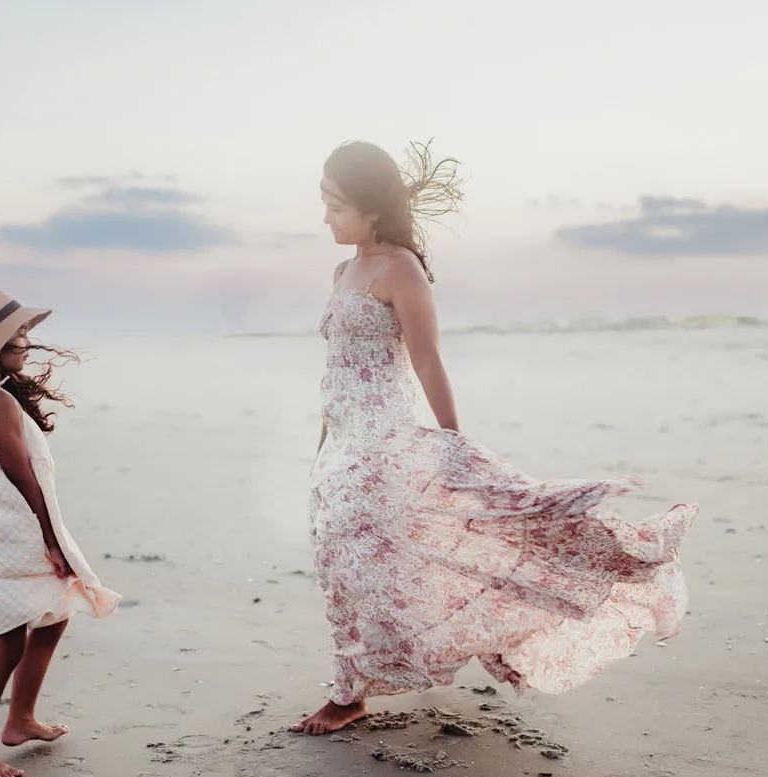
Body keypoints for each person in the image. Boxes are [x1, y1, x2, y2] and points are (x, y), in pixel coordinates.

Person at [293, 141, 698, 735]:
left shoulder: (398, 267)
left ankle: (354, 689)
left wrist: (452, 446)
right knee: (341, 562)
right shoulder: (341, 271)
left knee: (365, 558)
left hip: (387, 441)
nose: (325, 217)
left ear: (369, 209)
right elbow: (337, 371)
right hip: (343, 447)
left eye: (334, 205)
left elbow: (428, 360)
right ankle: (359, 684)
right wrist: (323, 444)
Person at [0, 288, 119, 777]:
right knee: (4, 648)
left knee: (55, 612)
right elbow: (23, 476)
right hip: (9, 533)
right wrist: (51, 540)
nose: (27, 342)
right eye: (17, 334)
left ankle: (20, 719)